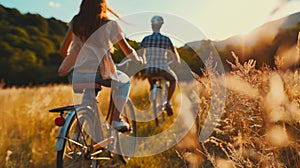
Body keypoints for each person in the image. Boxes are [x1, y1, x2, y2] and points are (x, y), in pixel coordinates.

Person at [58, 0, 143, 131]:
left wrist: (77, 58)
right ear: (102, 5)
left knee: (87, 103)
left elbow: (63, 50)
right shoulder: (108, 24)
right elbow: (127, 50)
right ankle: (116, 120)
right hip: (100, 73)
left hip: (76, 75)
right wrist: (138, 60)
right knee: (124, 81)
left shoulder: (76, 22)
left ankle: (76, 135)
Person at [139, 15, 181, 116]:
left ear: (152, 26)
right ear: (161, 26)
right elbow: (174, 53)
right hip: (163, 69)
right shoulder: (166, 39)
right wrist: (177, 61)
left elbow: (141, 54)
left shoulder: (146, 39)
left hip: (150, 70)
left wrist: (144, 61)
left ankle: (153, 95)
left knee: (151, 80)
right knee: (173, 80)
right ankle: (168, 102)